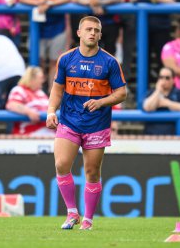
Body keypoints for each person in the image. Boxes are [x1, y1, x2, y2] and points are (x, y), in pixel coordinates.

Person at [46, 16, 127, 230]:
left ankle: (88, 220)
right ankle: (72, 213)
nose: (92, 33)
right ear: (79, 33)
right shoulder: (65, 59)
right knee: (61, 164)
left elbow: (121, 93)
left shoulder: (109, 62)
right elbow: (57, 88)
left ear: (100, 35)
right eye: (88, 29)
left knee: (92, 171)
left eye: (96, 30)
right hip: (70, 121)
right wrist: (50, 111)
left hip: (97, 124)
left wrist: (101, 102)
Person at [19, 0, 70, 92]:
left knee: (55, 64)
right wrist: (38, 2)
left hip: (57, 29)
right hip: (37, 29)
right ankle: (38, 93)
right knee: (37, 63)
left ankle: (52, 95)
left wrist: (49, 3)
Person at [6, 66, 55, 136]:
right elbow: (11, 105)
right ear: (32, 78)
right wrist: (28, 112)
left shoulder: (40, 93)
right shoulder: (19, 90)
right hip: (28, 133)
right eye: (41, 78)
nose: (43, 81)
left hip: (48, 132)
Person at [143, 67, 180, 135]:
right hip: (152, 136)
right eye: (161, 77)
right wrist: (158, 91)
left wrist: (166, 103)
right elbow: (147, 107)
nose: (164, 80)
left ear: (173, 80)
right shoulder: (151, 92)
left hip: (173, 136)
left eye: (167, 78)